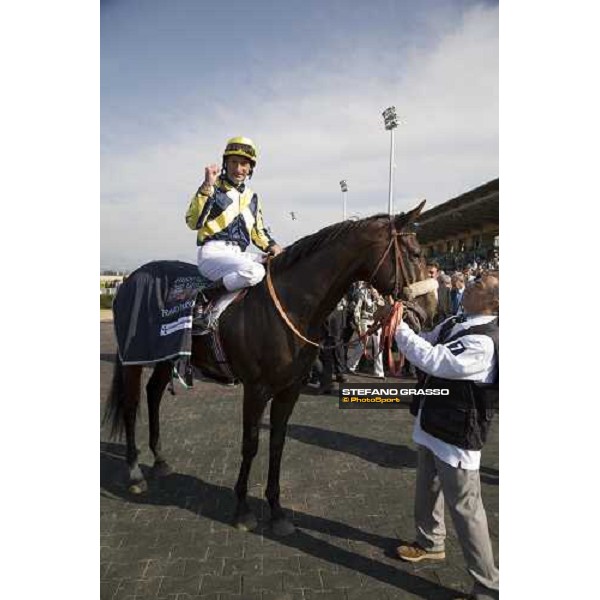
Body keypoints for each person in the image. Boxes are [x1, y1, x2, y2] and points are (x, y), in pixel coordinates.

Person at [393, 275, 500, 600]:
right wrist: (405, 324)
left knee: (467, 512)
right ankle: (430, 543)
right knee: (427, 488)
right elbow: (426, 340)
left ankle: (488, 588)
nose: (469, 286)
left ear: (493, 302)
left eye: (478, 286)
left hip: (457, 435)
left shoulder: (485, 341)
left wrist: (397, 327)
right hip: (433, 424)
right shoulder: (458, 320)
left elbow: (434, 360)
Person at [185, 136, 283, 301]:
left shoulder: (252, 197)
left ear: (250, 167)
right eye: (233, 162)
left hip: (238, 254)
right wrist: (207, 186)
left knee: (280, 265)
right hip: (213, 254)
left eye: (244, 164)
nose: (238, 168)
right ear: (226, 164)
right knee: (255, 272)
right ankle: (205, 296)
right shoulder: (213, 188)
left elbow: (258, 232)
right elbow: (193, 222)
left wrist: (274, 247)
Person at [346, 283, 385, 379]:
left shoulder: (378, 293)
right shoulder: (362, 293)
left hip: (376, 322)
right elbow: (357, 309)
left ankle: (379, 372)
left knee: (378, 345)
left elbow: (383, 305)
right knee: (362, 345)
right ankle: (351, 365)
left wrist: (376, 296)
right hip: (365, 320)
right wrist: (358, 324)